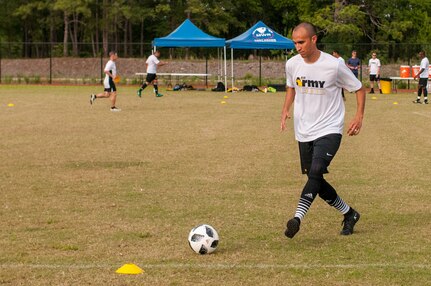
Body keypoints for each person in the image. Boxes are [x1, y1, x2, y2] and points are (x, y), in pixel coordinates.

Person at [280, 22, 366, 239]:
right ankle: (349, 213)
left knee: (316, 172)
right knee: (315, 179)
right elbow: (291, 86)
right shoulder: (292, 64)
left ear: (313, 39)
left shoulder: (334, 65)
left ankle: (297, 219)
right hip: (303, 129)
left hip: (330, 128)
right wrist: (285, 109)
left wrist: (358, 117)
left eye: (301, 42)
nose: (297, 47)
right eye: (295, 43)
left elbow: (359, 88)